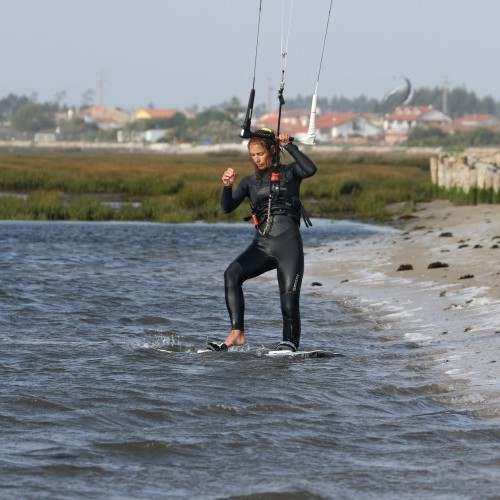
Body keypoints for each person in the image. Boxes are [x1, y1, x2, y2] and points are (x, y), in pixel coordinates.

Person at [207, 128, 318, 352]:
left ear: (272, 151)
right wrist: (227, 186)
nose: (257, 159)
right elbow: (227, 207)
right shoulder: (250, 182)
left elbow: (310, 169)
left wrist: (290, 146)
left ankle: (289, 343)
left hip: (289, 248)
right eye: (253, 155)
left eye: (261, 154)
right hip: (262, 246)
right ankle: (237, 334)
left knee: (288, 298)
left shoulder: (290, 173)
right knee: (232, 274)